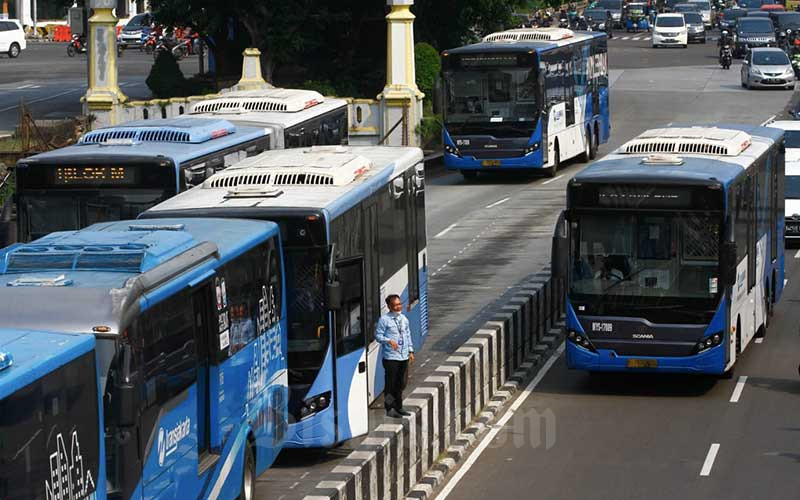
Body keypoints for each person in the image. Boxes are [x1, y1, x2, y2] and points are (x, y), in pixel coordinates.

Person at [375, 294, 415, 418]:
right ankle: (389, 408)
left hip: (403, 356)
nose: (398, 307)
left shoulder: (404, 319)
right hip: (391, 357)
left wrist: (410, 351)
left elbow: (407, 335)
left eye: (399, 304)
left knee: (400, 383)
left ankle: (399, 406)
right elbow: (378, 336)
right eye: (395, 305)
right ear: (389, 306)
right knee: (390, 384)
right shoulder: (384, 320)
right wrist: (388, 341)